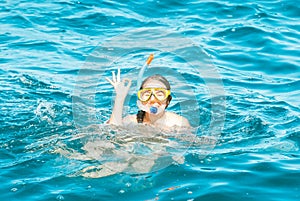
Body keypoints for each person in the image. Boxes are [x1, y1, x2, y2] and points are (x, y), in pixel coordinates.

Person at [106, 68, 191, 129]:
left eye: (160, 94)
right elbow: (112, 131)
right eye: (147, 93)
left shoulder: (179, 123)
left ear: (168, 101)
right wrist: (120, 97)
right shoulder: (131, 121)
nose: (153, 99)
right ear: (140, 100)